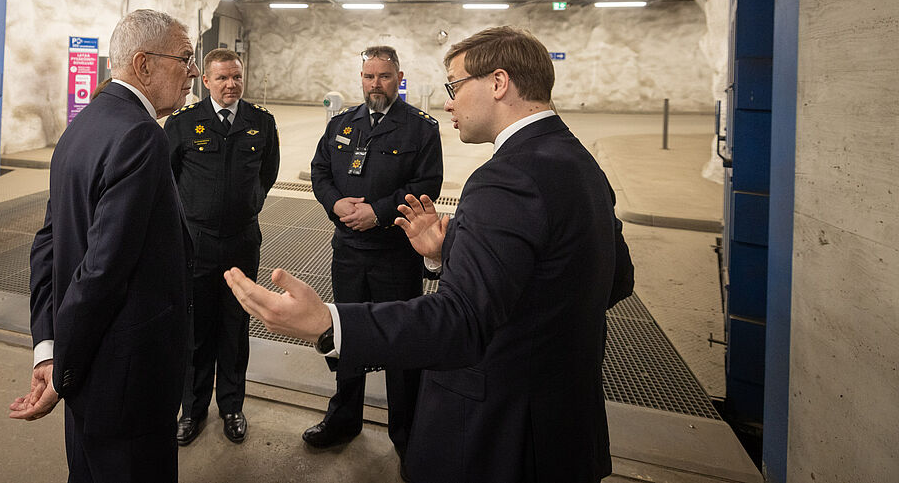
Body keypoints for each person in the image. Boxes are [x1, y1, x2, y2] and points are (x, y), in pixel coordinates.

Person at [226, 26, 635, 483]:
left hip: (505, 435)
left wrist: (328, 323)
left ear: (498, 83)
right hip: (564, 423)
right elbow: (615, 279)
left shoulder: (505, 179)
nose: (448, 102)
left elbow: (461, 322)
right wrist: (448, 254)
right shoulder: (576, 160)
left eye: (455, 86)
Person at [9, 9, 198, 483]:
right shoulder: (141, 136)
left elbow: (48, 245)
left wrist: (49, 349)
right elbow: (102, 270)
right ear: (144, 64)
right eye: (186, 58)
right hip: (128, 376)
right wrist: (61, 371)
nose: (193, 72)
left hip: (91, 371)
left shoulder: (83, 125)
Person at [304, 45, 443, 466]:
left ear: (399, 78)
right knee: (347, 336)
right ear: (360, 78)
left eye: (384, 76)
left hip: (395, 253)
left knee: (401, 342)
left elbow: (428, 185)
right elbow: (320, 171)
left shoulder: (420, 128)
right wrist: (336, 205)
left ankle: (406, 434)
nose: (375, 84)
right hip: (347, 251)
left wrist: (377, 213)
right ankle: (345, 418)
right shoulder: (343, 123)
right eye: (368, 77)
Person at [164, 49, 280, 446]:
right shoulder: (183, 123)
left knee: (235, 325)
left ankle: (232, 406)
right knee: (195, 328)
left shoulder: (260, 122)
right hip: (196, 242)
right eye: (222, 79)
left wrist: (247, 206)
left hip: (241, 242)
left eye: (236, 77)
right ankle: (191, 410)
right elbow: (167, 176)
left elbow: (268, 173)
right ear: (206, 82)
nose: (231, 85)